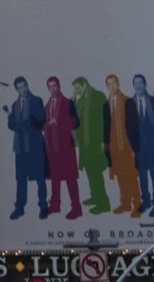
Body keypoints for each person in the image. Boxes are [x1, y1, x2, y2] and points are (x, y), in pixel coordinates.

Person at [7, 77, 48, 219]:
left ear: (27, 85)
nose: (22, 89)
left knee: (40, 178)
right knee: (21, 179)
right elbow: (12, 126)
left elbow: (41, 121)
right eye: (19, 87)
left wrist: (30, 118)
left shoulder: (37, 101)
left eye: (24, 86)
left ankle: (43, 206)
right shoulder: (14, 105)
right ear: (16, 90)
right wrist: (10, 118)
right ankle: (20, 207)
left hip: (35, 146)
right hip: (21, 147)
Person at [123, 74, 154, 217]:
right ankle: (146, 201)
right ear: (133, 85)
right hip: (139, 148)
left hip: (153, 147)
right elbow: (128, 127)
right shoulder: (129, 103)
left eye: (141, 82)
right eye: (136, 83)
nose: (138, 85)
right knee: (142, 176)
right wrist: (134, 147)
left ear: (145, 84)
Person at [42, 76, 83, 219]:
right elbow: (44, 124)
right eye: (50, 87)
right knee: (54, 179)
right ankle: (55, 205)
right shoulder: (47, 105)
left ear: (59, 86)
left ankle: (76, 208)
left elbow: (76, 122)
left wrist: (58, 122)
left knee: (71, 179)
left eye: (55, 86)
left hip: (65, 147)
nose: (53, 89)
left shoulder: (68, 103)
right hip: (52, 148)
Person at [70, 76, 111, 214]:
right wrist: (74, 99)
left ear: (85, 84)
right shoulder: (80, 100)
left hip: (96, 142)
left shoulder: (98, 96)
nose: (77, 90)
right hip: (85, 144)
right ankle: (95, 197)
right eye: (75, 89)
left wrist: (104, 140)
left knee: (96, 172)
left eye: (78, 87)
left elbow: (106, 118)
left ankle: (103, 203)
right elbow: (74, 118)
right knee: (89, 171)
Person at [103, 73, 142, 217]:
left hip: (127, 147)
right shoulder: (106, 104)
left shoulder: (127, 102)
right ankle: (125, 203)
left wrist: (135, 148)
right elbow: (106, 127)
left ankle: (137, 205)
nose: (112, 86)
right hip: (114, 147)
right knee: (120, 176)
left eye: (114, 83)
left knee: (131, 176)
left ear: (118, 84)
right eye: (109, 84)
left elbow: (134, 126)